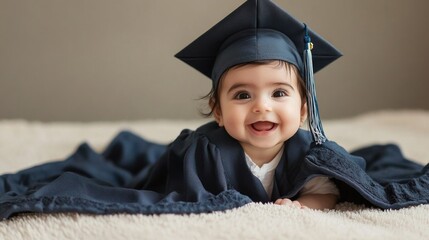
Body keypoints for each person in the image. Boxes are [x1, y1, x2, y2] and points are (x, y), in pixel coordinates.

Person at [0, 0, 428, 220]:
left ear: (304, 109)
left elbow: (325, 194)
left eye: (280, 94)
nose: (261, 105)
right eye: (242, 95)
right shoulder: (201, 152)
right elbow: (186, 195)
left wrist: (303, 208)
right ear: (218, 113)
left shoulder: (313, 153)